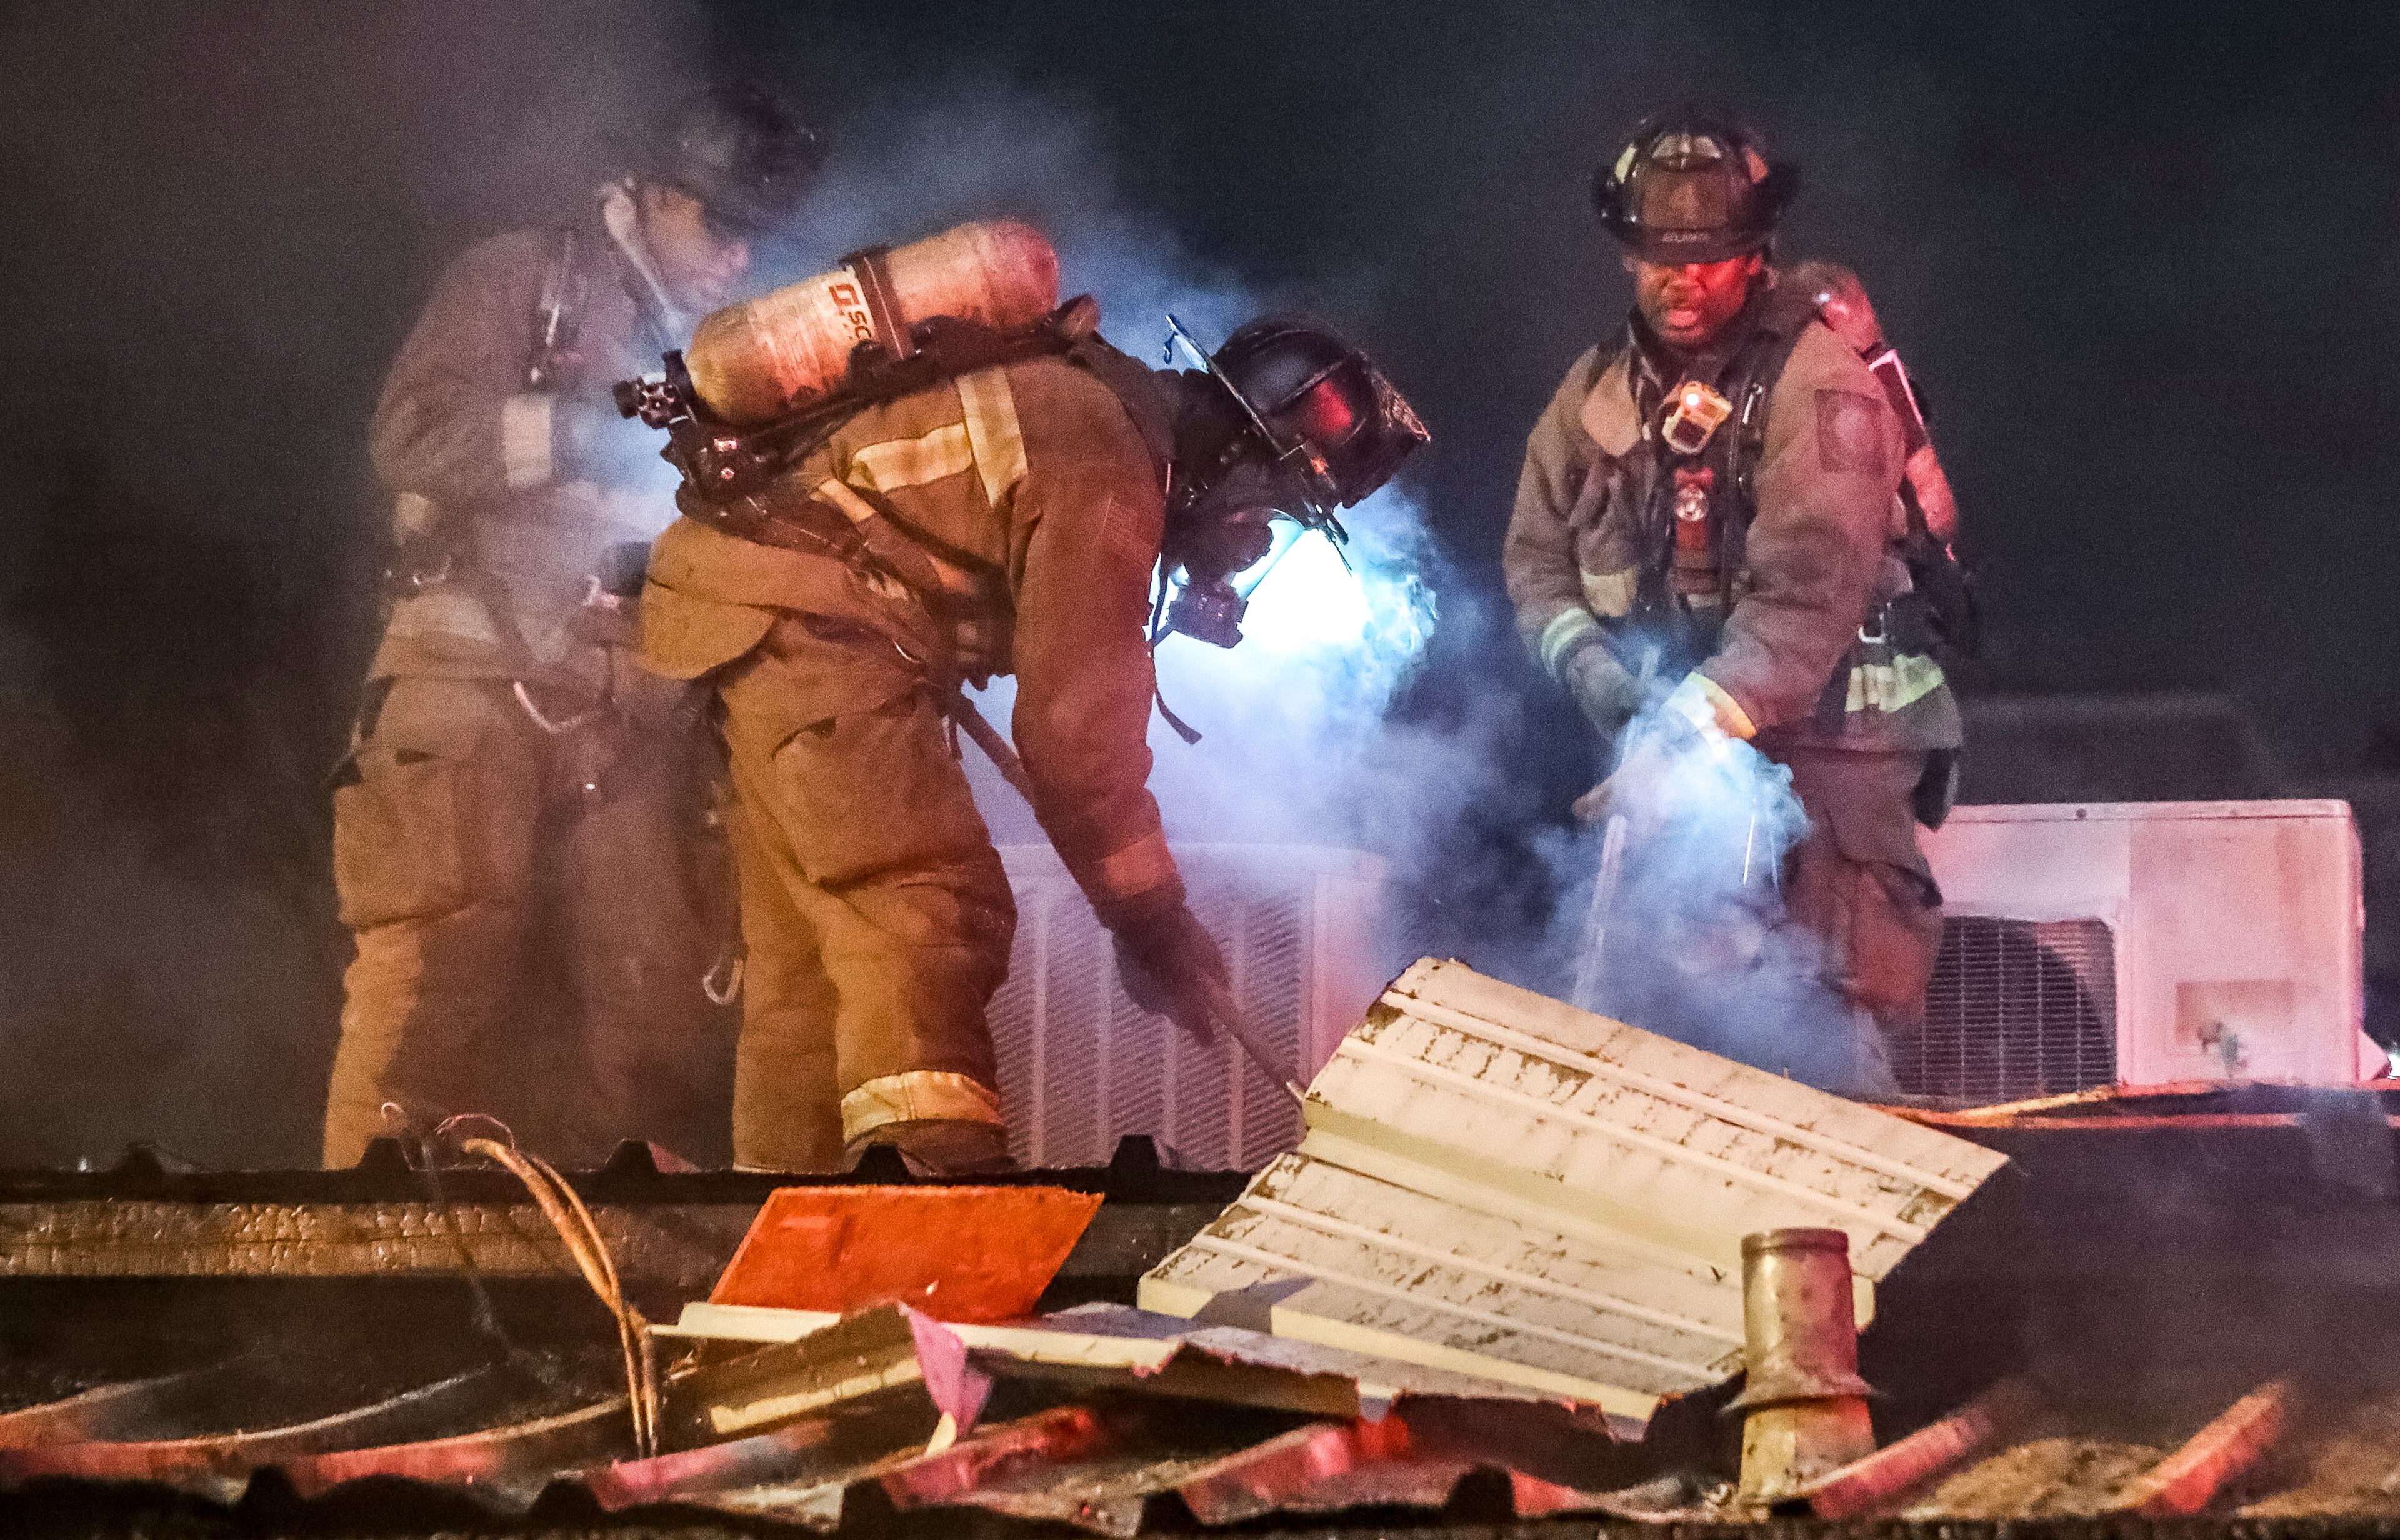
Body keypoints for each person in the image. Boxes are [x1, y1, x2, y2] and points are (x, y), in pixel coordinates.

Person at [636, 294, 1426, 1173]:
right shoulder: (1109, 464)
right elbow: (1076, 739)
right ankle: (932, 1187)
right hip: (815, 624)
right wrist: (1154, 919)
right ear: (1239, 449)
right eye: (1269, 509)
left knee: (811, 967)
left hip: (752, 608)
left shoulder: (1089, 413)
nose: (1250, 542)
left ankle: (785, 1218)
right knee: (927, 905)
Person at [321, 84, 825, 1168]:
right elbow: (413, 438)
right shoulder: (523, 279)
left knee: (652, 1011)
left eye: (758, 239)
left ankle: (604, 1292)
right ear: (647, 192)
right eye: (722, 224)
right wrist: (590, 429)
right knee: (434, 975)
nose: (739, 259)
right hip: (470, 676)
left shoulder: (725, 351)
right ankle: (355, 1272)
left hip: (634, 715)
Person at [1503, 111, 1963, 1092]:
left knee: (1832, 1030)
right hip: (1691, 740)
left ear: (1756, 255)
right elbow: (1537, 564)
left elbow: (1808, 593)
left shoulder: (1824, 387)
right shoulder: (1593, 398)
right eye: (1658, 255)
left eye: (1712, 255)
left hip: (1836, 758)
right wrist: (1599, 679)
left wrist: (1681, 733)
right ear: (1625, 255)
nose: (1685, 278)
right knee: (1677, 1026)